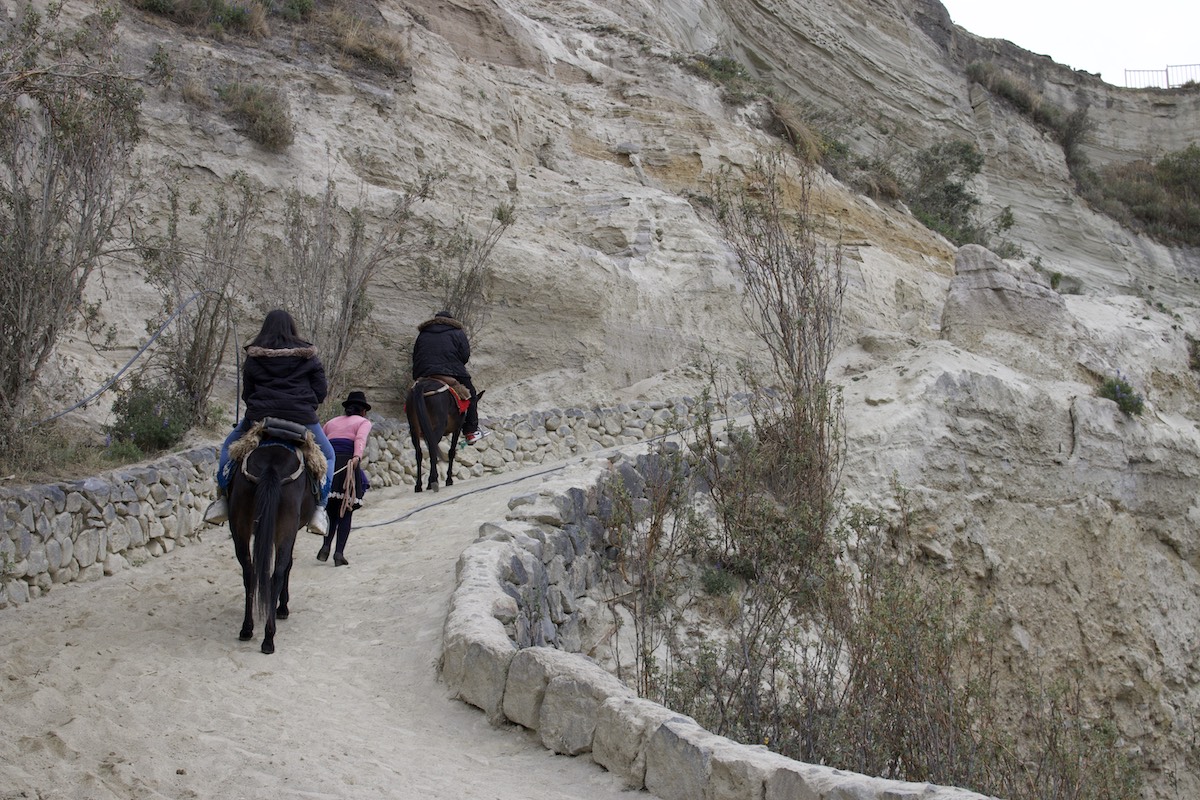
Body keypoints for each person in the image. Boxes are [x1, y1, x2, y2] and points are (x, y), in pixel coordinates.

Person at [203, 309, 336, 536]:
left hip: (260, 418)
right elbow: (321, 392)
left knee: (227, 447)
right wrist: (304, 405)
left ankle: (223, 500)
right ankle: (320, 509)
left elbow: (248, 394)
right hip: (301, 418)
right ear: (292, 328)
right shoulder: (308, 356)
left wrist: (260, 407)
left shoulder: (254, 356)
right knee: (330, 456)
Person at [411, 310, 489, 444]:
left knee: (414, 393)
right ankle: (470, 431)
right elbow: (465, 355)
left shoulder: (423, 333)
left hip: (425, 373)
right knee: (471, 394)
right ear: (450, 320)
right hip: (451, 372)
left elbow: (416, 355)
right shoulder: (457, 332)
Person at [317, 390, 373, 566]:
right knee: (346, 509)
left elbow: (322, 443)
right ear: (363, 410)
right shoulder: (363, 422)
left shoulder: (331, 422)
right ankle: (339, 553)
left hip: (330, 464)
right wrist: (357, 457)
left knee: (331, 509)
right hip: (348, 463)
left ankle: (325, 546)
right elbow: (360, 439)